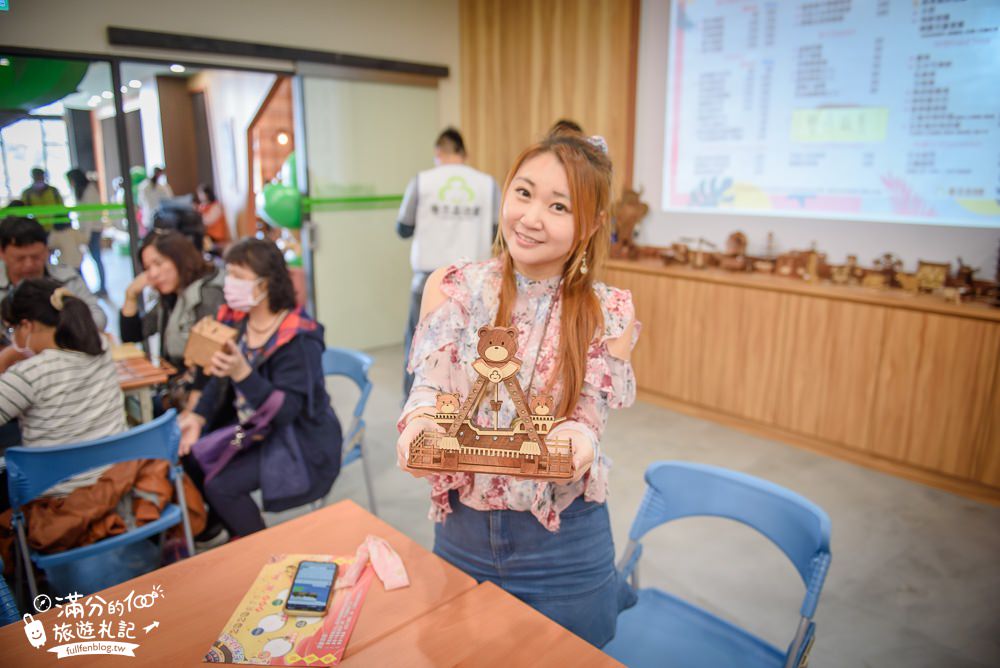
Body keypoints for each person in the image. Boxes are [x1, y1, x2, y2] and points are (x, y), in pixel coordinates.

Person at [395, 134, 639, 647]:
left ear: (592, 224)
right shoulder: (453, 285)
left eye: (558, 206)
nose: (530, 217)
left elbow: (588, 417)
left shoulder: (608, 310)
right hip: (463, 531)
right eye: (523, 193)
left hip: (564, 541)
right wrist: (418, 427)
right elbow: (430, 386)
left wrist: (580, 446)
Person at [0, 278, 206, 557]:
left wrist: (7, 357)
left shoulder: (26, 376)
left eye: (13, 329)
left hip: (59, 499)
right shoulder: (101, 350)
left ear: (27, 325)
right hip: (118, 480)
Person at [177, 239, 342, 538]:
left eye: (239, 277)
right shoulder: (240, 322)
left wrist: (243, 372)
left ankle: (256, 549)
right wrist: (197, 417)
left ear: (266, 284)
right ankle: (225, 525)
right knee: (195, 453)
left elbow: (286, 411)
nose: (230, 284)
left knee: (222, 485)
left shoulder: (298, 338)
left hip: (293, 439)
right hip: (250, 430)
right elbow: (220, 376)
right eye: (228, 274)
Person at [397, 127, 500, 397]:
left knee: (420, 348)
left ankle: (415, 408)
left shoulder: (421, 181)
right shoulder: (487, 184)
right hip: (474, 283)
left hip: (428, 282)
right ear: (464, 154)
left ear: (438, 152)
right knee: (473, 351)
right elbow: (496, 230)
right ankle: (470, 410)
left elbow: (403, 228)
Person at [120, 230, 225, 410]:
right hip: (176, 388)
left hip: (202, 395)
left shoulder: (206, 294)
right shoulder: (170, 297)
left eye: (158, 264)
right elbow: (133, 335)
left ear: (181, 258)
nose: (152, 274)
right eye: (147, 268)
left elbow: (208, 358)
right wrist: (130, 296)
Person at [0, 217, 107, 367]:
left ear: (46, 251)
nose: (29, 265)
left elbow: (98, 317)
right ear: (2, 253)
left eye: (36, 257)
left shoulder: (67, 279)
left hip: (66, 365)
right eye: (20, 258)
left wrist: (50, 339)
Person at [67, 168, 107, 295]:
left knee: (96, 258)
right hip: (87, 230)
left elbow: (89, 215)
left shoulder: (89, 190)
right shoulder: (81, 190)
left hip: (92, 230)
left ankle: (102, 287)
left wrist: (86, 236)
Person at [196, 183, 229, 250]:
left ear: (207, 194)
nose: (199, 196)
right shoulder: (202, 205)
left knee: (199, 239)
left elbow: (207, 221)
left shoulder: (216, 206)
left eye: (201, 194)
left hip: (215, 235)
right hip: (207, 234)